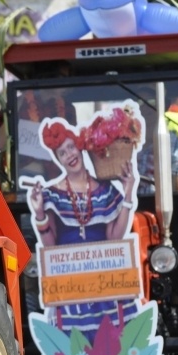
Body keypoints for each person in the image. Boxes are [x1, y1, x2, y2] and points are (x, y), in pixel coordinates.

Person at [27, 118, 138, 342]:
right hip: (70, 288)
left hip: (105, 285)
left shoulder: (106, 190)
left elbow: (114, 238)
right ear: (57, 160)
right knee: (77, 353)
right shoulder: (51, 194)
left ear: (79, 146)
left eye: (70, 147)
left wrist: (127, 194)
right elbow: (51, 246)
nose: (69, 154)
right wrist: (39, 212)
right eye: (61, 152)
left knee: (114, 351)